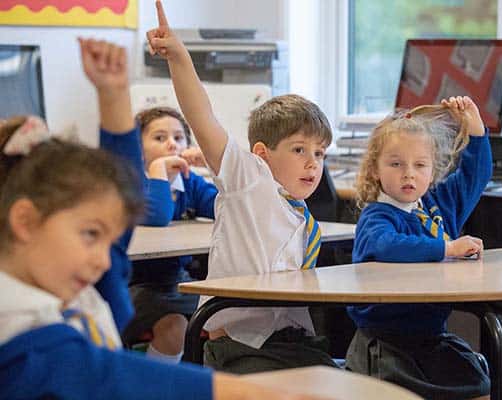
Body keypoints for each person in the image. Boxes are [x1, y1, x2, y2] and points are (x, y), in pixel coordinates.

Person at [0, 38, 327, 400]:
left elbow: (120, 201)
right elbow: (114, 375)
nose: (104, 256)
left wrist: (114, 96)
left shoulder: (87, 289)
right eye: (91, 234)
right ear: (25, 222)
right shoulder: (20, 330)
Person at [146, 0, 338, 373]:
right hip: (236, 344)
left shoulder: (299, 212)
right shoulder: (250, 181)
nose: (313, 162)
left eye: (320, 152)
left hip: (287, 340)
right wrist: (179, 58)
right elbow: (201, 116)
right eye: (299, 150)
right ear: (262, 155)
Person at [346, 96, 493, 400]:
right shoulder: (377, 215)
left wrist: (475, 130)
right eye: (396, 164)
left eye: (420, 165)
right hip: (385, 344)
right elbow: (386, 245)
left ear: (433, 170)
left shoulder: (439, 204)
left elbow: (473, 176)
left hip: (430, 338)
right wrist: (446, 249)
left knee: (478, 383)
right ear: (375, 169)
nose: (409, 173)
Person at [122, 106, 218, 363]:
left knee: (225, 314)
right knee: (176, 326)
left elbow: (224, 207)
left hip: (178, 282)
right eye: (159, 138)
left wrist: (214, 164)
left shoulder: (191, 182)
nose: (171, 145)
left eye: (178, 138)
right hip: (135, 286)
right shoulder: (131, 183)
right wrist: (158, 171)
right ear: (138, 149)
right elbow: (156, 216)